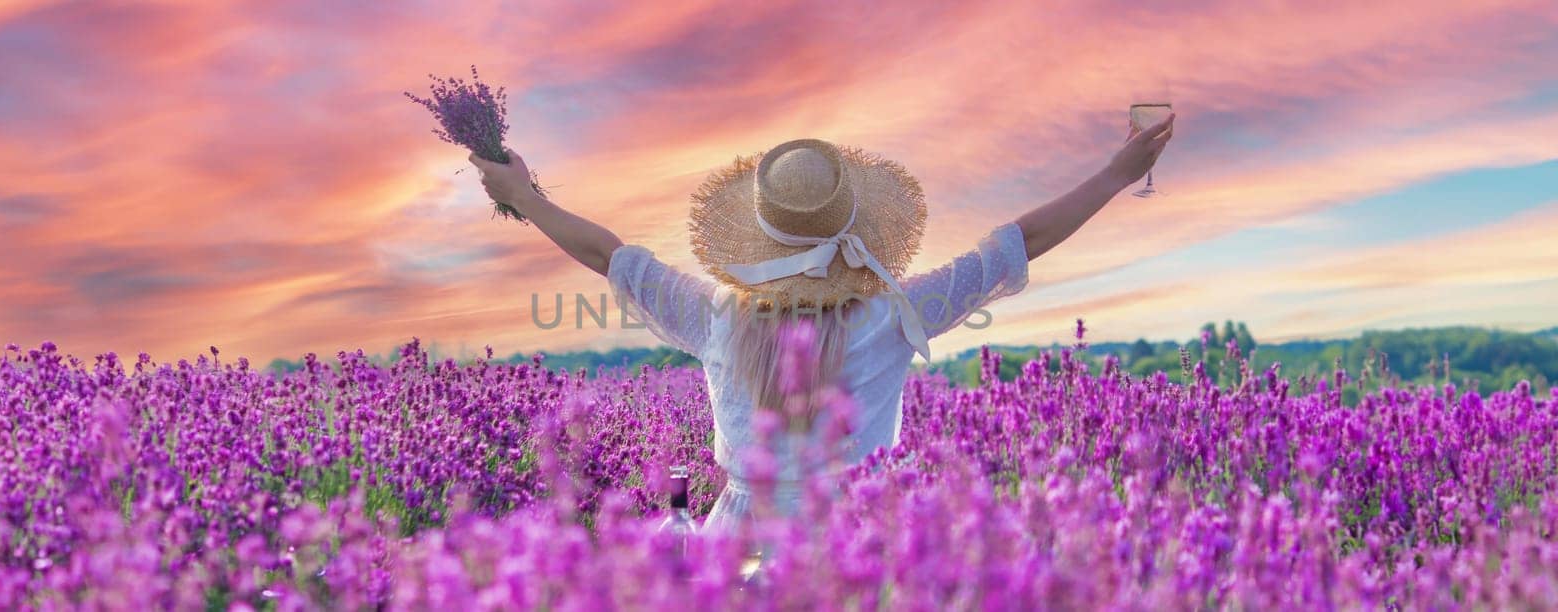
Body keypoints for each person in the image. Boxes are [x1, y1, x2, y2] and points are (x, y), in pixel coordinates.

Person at [469, 113, 1175, 533]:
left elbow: (608, 255)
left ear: (756, 238)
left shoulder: (714, 315)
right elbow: (1014, 245)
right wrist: (1116, 173)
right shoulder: (890, 315)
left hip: (740, 544)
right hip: (854, 545)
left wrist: (522, 194)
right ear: (854, 229)